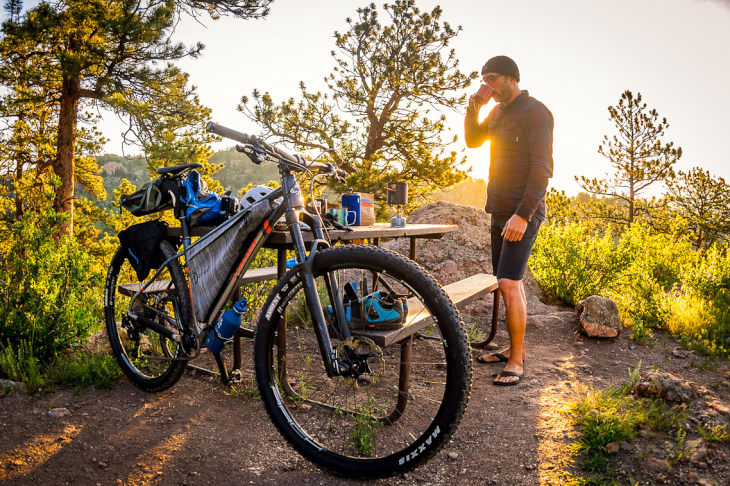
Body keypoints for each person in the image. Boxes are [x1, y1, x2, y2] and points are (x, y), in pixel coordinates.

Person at [464, 55, 554, 386]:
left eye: (493, 78)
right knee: (507, 280)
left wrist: (523, 213)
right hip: (499, 208)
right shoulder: (498, 112)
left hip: (521, 211)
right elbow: (473, 140)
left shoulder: (536, 112)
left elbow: (542, 167)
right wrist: (473, 108)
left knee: (508, 282)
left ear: (512, 78)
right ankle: (513, 347)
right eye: (484, 79)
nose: (487, 85)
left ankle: (516, 359)